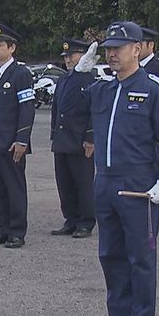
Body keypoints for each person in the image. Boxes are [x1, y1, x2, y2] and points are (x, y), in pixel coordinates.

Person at [79, 21, 159, 316]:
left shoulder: (154, 88)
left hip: (139, 184)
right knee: (110, 253)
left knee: (140, 256)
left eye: (118, 48)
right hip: (106, 181)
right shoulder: (103, 89)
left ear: (137, 49)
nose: (111, 54)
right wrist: (80, 73)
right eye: (108, 49)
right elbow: (67, 105)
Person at [0, 23, 35, 249]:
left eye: (0, 45)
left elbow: (27, 108)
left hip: (12, 143)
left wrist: (22, 140)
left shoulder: (20, 74)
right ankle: (2, 227)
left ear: (12, 48)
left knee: (14, 187)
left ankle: (17, 231)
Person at [49, 39, 96, 238]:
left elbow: (95, 111)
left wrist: (90, 137)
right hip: (63, 139)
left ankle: (85, 221)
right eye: (66, 57)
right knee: (65, 183)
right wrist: (53, 134)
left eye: (72, 55)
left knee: (83, 184)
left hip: (80, 141)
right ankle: (71, 219)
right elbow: (56, 110)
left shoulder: (89, 80)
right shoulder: (64, 80)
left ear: (84, 56)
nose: (68, 60)